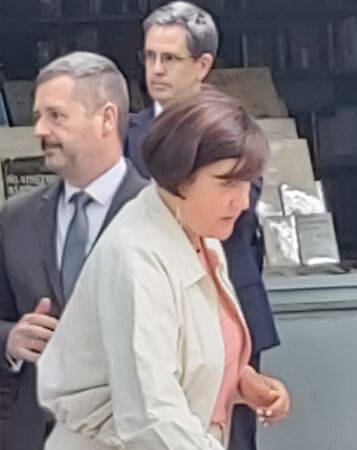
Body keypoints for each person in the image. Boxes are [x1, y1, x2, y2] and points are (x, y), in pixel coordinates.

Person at [37, 87, 290, 450]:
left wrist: (238, 380)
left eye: (248, 184)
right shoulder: (135, 258)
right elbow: (151, 414)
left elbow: (187, 355)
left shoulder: (198, 231)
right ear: (179, 175)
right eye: (227, 183)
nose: (243, 202)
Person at [124, 3, 284, 448]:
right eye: (149, 56)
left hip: (226, 299)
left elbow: (240, 207)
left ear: (203, 64)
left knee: (234, 436)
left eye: (170, 58)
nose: (156, 69)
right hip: (155, 304)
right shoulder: (124, 135)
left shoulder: (234, 128)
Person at [0, 52, 147, 450]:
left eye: (56, 116)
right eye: (37, 116)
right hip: (30, 435)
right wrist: (11, 339)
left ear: (106, 119)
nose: (39, 130)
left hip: (127, 436)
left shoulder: (161, 216)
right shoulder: (16, 218)